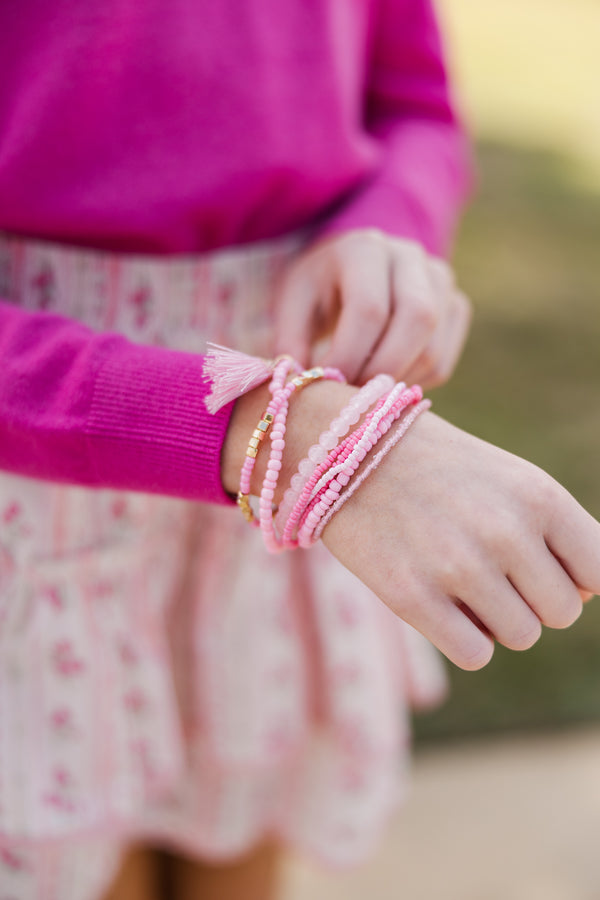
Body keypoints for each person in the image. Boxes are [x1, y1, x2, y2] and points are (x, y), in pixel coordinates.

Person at [0, 2, 599, 899]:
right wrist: (299, 440)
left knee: (242, 843)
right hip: (42, 489)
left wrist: (393, 219)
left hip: (276, 511)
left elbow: (414, 104)